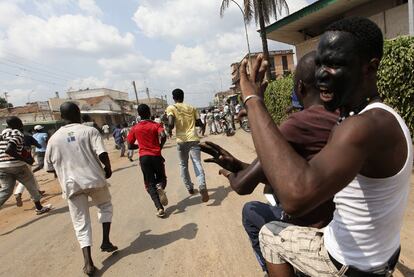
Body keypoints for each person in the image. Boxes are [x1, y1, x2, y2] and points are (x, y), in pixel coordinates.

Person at [240, 17, 411, 277]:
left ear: (370, 68)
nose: (320, 75)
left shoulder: (361, 127)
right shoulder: (383, 116)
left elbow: (295, 199)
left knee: (270, 234)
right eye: (320, 64)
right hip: (382, 259)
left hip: (345, 265)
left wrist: (253, 101)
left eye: (334, 65)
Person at [200, 52, 338, 272]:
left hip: (315, 231)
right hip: (339, 224)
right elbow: (279, 172)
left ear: (300, 88)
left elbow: (243, 186)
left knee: (251, 211)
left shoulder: (299, 124)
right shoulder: (345, 119)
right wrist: (237, 164)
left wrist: (231, 173)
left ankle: (272, 270)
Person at [45, 102, 117, 276]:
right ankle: (106, 241)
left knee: (80, 223)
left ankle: (88, 263)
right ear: (78, 113)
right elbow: (102, 153)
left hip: (71, 185)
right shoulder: (89, 131)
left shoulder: (54, 138)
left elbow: (48, 168)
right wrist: (107, 168)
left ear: (61, 117)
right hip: (94, 179)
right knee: (105, 206)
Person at [0, 116, 52, 215]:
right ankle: (39, 207)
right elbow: (9, 149)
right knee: (31, 184)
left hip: (2, 166)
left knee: (6, 191)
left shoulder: (3, 134)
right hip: (17, 165)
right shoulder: (18, 134)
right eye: (20, 122)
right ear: (19, 124)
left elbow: (6, 148)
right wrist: (26, 159)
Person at [166, 88, 209, 202]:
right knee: (197, 163)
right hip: (194, 139)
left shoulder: (171, 108)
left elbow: (170, 123)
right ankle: (202, 185)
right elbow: (199, 123)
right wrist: (202, 130)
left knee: (183, 165)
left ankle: (190, 188)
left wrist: (169, 129)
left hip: (181, 140)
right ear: (183, 97)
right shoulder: (192, 108)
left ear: (173, 97)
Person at [127, 104, 168, 218]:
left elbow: (129, 145)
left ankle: (159, 208)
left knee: (149, 184)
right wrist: (160, 146)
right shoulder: (155, 125)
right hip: (156, 156)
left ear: (139, 115)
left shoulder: (135, 128)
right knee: (162, 178)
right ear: (149, 113)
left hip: (144, 158)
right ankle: (160, 187)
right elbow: (163, 135)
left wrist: (140, 146)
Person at [14, 133, 46, 207]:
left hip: (12, 162)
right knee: (26, 178)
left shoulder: (10, 138)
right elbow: (39, 145)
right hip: (26, 160)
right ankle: (18, 192)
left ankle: (38, 191)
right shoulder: (27, 137)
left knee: (31, 175)